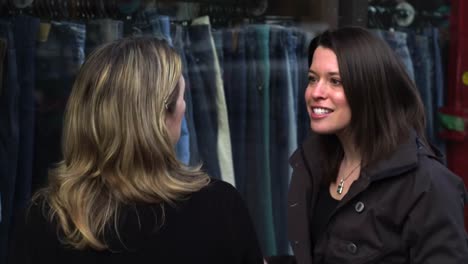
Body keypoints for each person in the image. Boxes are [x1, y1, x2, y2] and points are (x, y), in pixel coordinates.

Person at [9, 37, 263, 264]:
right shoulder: (219, 209)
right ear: (161, 116)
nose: (184, 108)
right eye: (183, 98)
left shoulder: (44, 221)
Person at [287, 26, 468, 264]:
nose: (316, 92)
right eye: (312, 79)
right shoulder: (314, 164)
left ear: (369, 89)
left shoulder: (427, 184)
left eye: (335, 81)